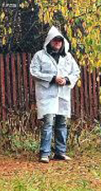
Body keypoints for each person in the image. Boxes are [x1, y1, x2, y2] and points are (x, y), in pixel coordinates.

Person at [29, 26, 81, 163]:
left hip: (62, 95)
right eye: (55, 40)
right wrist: (52, 78)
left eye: (60, 41)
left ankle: (60, 152)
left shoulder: (67, 57)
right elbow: (34, 72)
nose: (57, 43)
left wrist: (67, 80)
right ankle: (45, 153)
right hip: (47, 95)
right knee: (48, 122)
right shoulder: (40, 56)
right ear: (49, 41)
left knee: (62, 123)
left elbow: (76, 72)